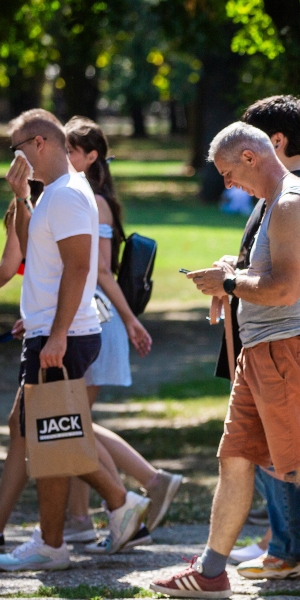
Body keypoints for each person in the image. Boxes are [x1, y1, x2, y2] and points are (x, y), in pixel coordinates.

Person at [151, 122, 300, 600]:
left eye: (228, 172)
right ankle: (212, 570)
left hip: (287, 353)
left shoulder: (293, 203)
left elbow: (285, 289)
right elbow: (269, 272)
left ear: (251, 157)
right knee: (234, 458)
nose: (228, 183)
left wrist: (230, 286)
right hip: (262, 354)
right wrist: (231, 271)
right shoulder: (273, 202)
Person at [0, 109, 148, 571]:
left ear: (39, 143)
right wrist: (21, 197)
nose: (14, 157)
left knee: (47, 434)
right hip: (48, 331)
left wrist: (57, 332)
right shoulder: (53, 194)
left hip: (63, 335)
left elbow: (81, 269)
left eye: (17, 148)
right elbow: (28, 248)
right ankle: (107, 512)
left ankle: (72, 531)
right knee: (42, 431)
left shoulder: (68, 195)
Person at [62, 117, 182, 551]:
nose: (64, 157)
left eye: (70, 150)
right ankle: (79, 518)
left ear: (90, 156)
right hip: (85, 312)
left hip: (94, 316)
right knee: (75, 423)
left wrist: (131, 320)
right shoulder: (79, 198)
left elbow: (100, 271)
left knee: (72, 423)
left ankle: (147, 484)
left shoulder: (94, 202)